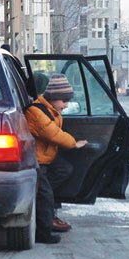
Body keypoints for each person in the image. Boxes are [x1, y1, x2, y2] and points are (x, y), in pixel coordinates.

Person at [25, 73, 88, 244]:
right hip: (36, 161)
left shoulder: (52, 110)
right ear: (53, 98)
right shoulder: (35, 112)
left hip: (46, 157)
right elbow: (52, 133)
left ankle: (40, 195)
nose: (66, 105)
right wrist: (73, 143)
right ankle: (43, 233)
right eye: (64, 101)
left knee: (65, 169)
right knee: (45, 195)